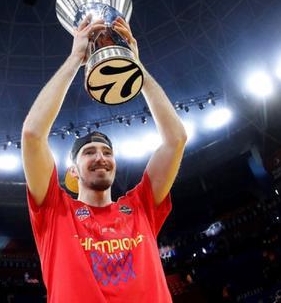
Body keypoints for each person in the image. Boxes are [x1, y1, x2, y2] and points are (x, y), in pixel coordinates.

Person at [21, 16, 187, 302]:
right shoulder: (54, 211)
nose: (101, 157)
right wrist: (75, 58)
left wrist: (138, 69)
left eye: (107, 152)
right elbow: (33, 134)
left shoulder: (140, 207)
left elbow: (176, 140)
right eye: (89, 152)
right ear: (72, 171)